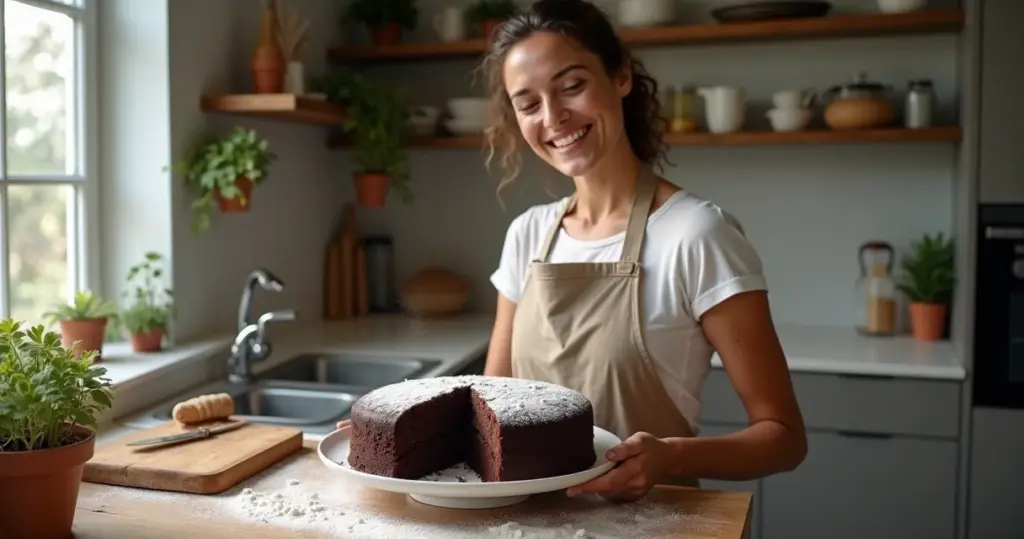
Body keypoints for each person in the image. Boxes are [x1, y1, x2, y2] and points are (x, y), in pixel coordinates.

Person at [337, 0, 807, 503]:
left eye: (572, 86)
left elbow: (783, 439)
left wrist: (670, 457)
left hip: (652, 523)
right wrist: (393, 434)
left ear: (621, 76)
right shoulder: (528, 234)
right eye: (528, 104)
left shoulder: (696, 234)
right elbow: (488, 408)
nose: (554, 117)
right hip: (522, 524)